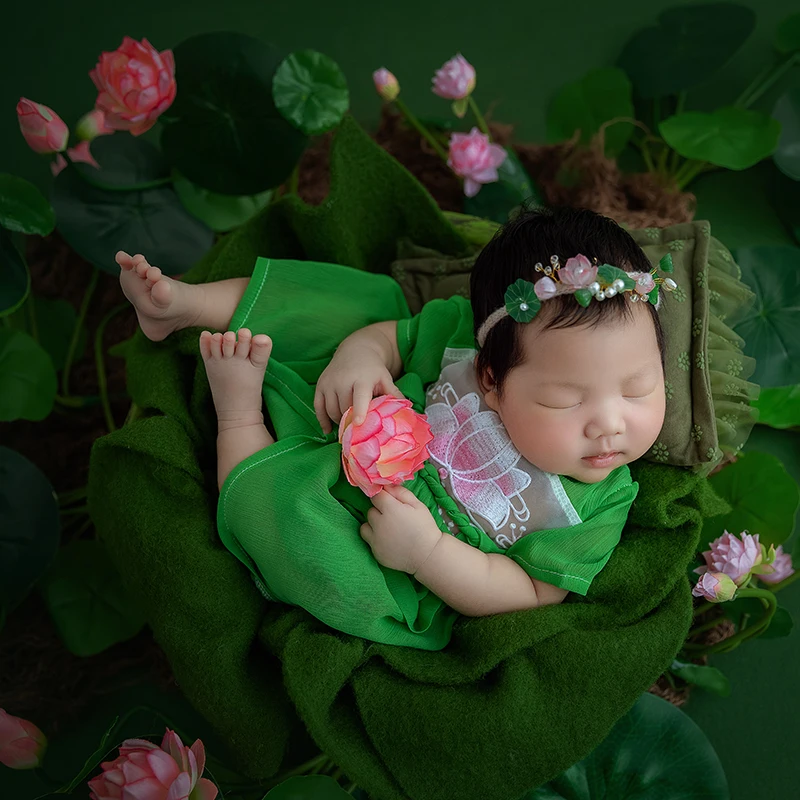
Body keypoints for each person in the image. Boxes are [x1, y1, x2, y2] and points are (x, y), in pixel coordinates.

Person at [117, 206, 672, 650]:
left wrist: (427, 554)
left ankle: (237, 419)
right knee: (362, 303)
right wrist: (361, 355)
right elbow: (394, 337)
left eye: (638, 388)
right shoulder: (461, 337)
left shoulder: (597, 505)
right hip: (336, 411)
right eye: (563, 399)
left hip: (380, 550)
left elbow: (528, 594)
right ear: (492, 378)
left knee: (330, 571)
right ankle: (187, 305)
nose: (609, 424)